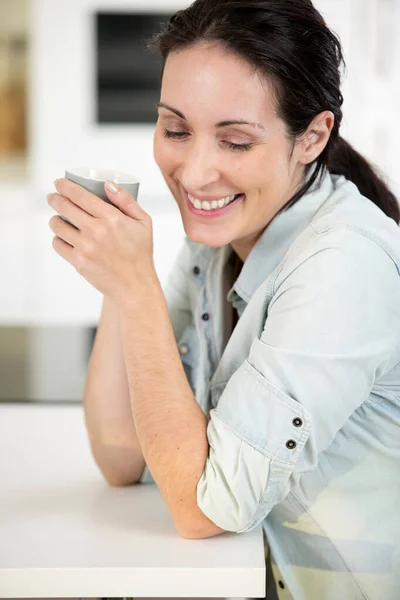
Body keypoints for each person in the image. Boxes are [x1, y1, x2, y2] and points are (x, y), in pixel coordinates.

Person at [47, 0, 400, 598]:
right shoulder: (222, 238)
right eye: (176, 129)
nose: (194, 173)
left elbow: (205, 509)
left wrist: (137, 291)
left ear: (312, 136)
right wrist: (118, 279)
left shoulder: (345, 265)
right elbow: (119, 455)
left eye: (234, 141)